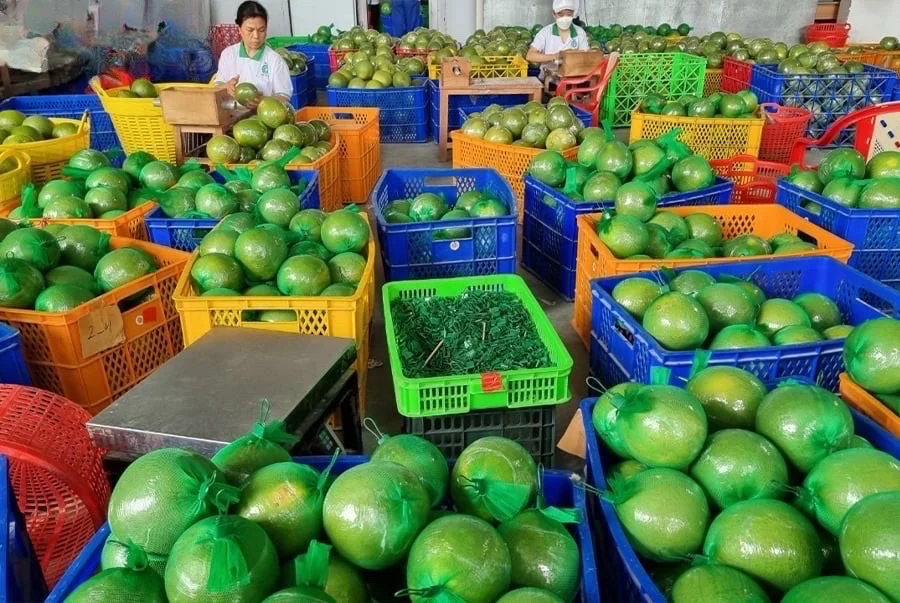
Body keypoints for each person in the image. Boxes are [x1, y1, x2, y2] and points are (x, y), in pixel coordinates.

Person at [214, 1, 293, 107]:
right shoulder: (228, 55)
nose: (256, 36)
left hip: (261, 116)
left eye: (261, 30)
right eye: (250, 30)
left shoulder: (275, 60)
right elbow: (217, 86)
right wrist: (226, 87)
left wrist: (263, 100)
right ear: (239, 29)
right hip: (231, 113)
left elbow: (284, 98)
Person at [526, 0, 590, 76]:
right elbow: (530, 55)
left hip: (572, 77)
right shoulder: (545, 32)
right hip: (548, 78)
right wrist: (554, 57)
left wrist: (570, 57)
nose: (565, 18)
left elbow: (586, 56)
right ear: (554, 14)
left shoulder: (580, 32)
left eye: (569, 14)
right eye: (560, 14)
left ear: (573, 14)